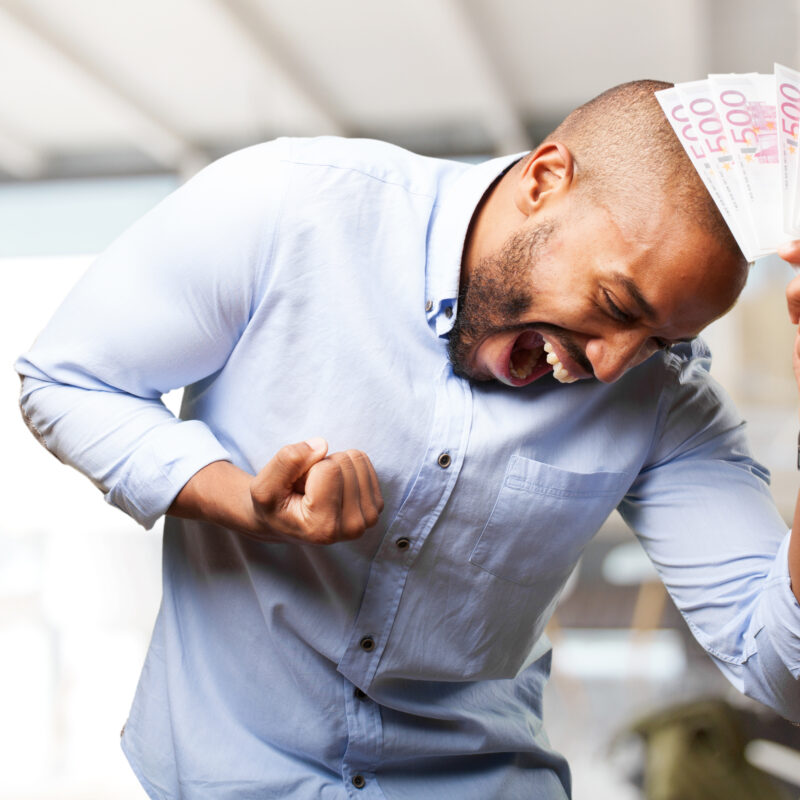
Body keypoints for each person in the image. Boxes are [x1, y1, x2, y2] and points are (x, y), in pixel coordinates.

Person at [15, 80, 800, 799]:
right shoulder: (290, 209)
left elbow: (776, 664)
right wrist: (233, 500)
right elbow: (67, 380)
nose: (611, 363)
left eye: (659, 340)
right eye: (616, 303)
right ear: (544, 179)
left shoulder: (665, 400)